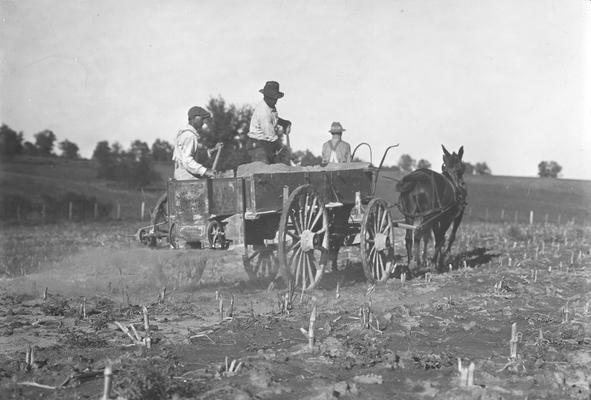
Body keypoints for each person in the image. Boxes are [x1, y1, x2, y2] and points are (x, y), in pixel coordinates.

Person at [247, 81, 292, 164]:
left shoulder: (270, 107)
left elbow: (274, 119)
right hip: (258, 146)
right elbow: (271, 137)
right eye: (272, 98)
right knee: (265, 171)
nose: (275, 101)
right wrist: (284, 151)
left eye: (275, 98)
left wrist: (285, 123)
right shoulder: (263, 112)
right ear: (265, 96)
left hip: (266, 144)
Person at [172, 106, 221, 180]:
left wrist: (213, 150)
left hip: (183, 175)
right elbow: (188, 161)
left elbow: (195, 156)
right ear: (194, 118)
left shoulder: (186, 134)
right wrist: (206, 171)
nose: (204, 122)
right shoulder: (189, 136)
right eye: (202, 118)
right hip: (186, 177)